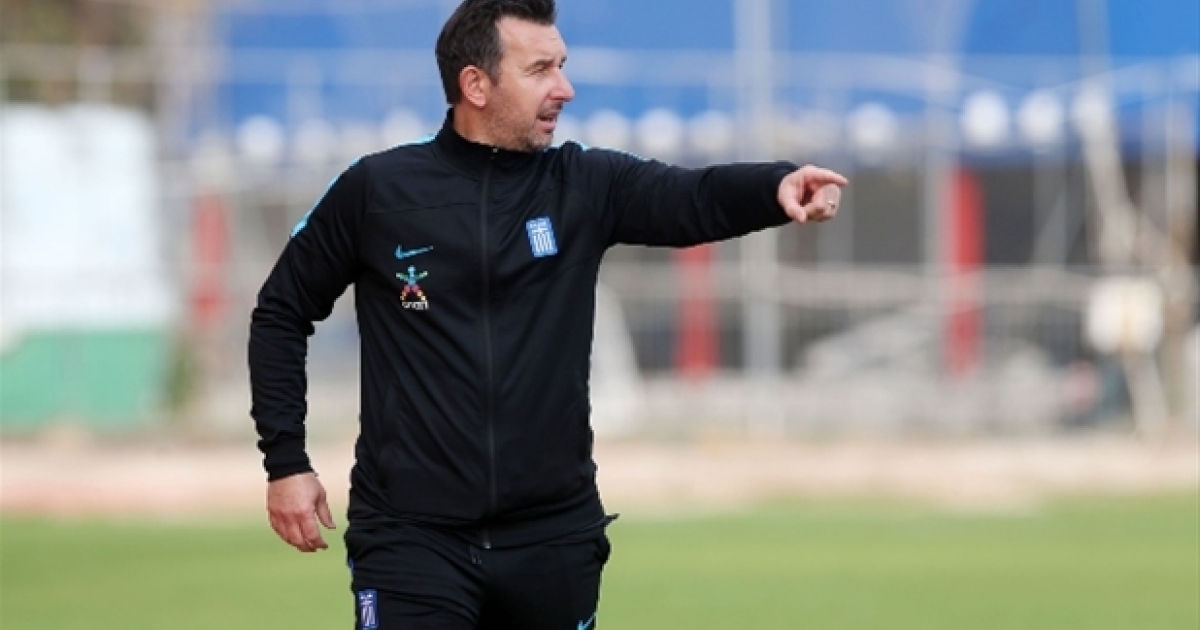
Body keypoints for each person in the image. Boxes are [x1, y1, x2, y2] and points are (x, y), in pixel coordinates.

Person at [248, 0, 847, 627]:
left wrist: (775, 188)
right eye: (540, 70)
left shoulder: (583, 184)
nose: (565, 88)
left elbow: (690, 197)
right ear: (476, 84)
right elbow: (281, 312)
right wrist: (286, 461)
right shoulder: (379, 190)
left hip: (552, 538)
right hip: (410, 536)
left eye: (561, 65)